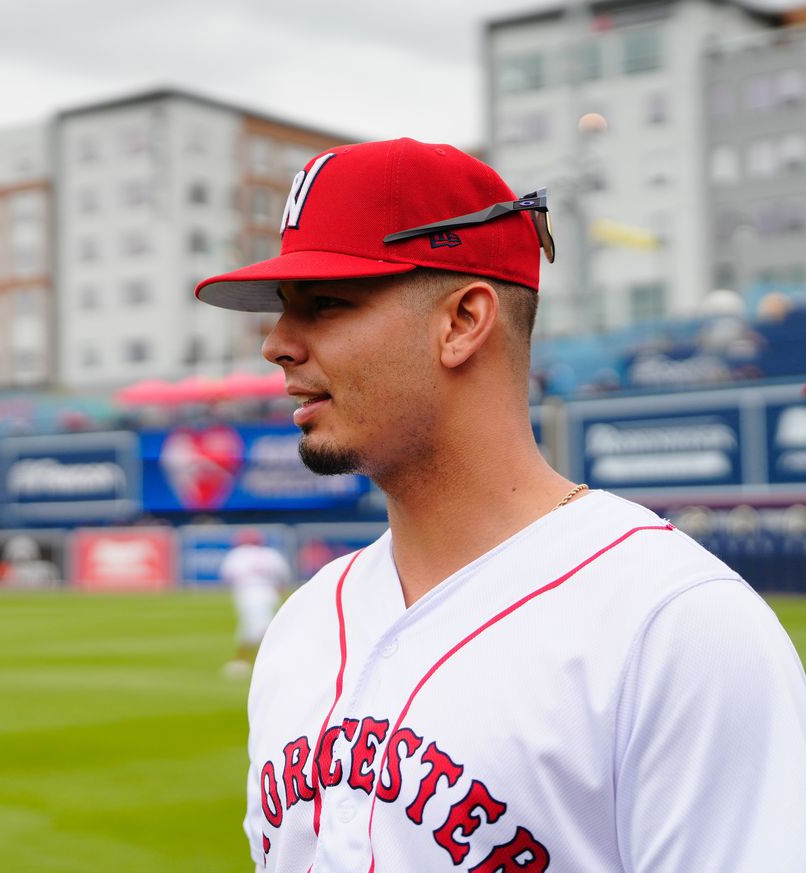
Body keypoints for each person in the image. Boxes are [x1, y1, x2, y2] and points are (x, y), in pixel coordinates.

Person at [194, 138, 806, 872]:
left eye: (325, 303)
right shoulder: (303, 623)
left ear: (461, 321)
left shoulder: (674, 625)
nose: (277, 344)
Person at [219, 528, 291, 677]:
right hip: (269, 592)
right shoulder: (271, 554)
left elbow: (227, 577)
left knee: (261, 629)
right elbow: (284, 577)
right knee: (251, 627)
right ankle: (242, 660)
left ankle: (273, 661)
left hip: (247, 592)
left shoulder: (237, 555)